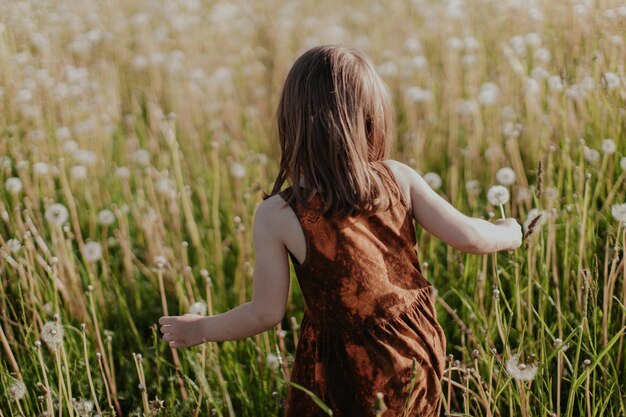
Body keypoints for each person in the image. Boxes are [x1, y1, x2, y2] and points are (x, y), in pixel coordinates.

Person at [159, 45, 522, 416]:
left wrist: (203, 328)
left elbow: (265, 313)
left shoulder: (278, 214)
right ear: (369, 119)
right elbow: (470, 238)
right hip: (414, 346)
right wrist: (510, 232)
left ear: (291, 121)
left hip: (345, 365)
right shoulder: (398, 178)